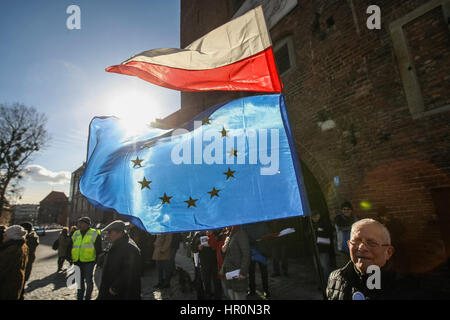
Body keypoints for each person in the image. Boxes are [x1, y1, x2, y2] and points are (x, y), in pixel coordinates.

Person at [327, 218, 417, 300]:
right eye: (356, 241)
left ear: (388, 252)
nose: (361, 247)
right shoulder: (336, 278)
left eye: (371, 243)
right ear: (349, 245)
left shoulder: (407, 286)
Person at [97, 220, 142, 300]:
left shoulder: (130, 248)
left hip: (122, 294)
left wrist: (115, 288)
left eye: (110, 232)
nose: (107, 236)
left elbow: (130, 272)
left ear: (120, 233)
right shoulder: (115, 245)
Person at [70, 217, 102, 300]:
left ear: (87, 224)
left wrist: (97, 261)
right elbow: (72, 246)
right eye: (79, 223)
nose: (79, 225)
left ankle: (87, 297)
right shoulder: (76, 233)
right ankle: (79, 297)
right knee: (79, 282)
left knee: (88, 281)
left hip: (89, 261)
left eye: (81, 223)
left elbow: (99, 248)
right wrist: (71, 257)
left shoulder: (94, 233)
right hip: (77, 261)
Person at [220, 225, 250, 300]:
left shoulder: (240, 233)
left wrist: (243, 272)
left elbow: (246, 253)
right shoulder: (230, 233)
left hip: (238, 273)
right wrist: (224, 249)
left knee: (239, 297)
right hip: (229, 273)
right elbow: (228, 254)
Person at [0, 225, 29, 300]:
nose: (3, 235)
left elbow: (2, 267)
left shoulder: (12, 250)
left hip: (7, 285)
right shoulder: (22, 245)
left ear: (12, 237)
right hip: (14, 282)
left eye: (6, 234)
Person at [243, 222, 270, 298]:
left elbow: (268, 235)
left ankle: (265, 290)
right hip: (252, 252)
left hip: (261, 251)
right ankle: (253, 290)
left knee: (263, 272)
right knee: (251, 272)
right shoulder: (246, 225)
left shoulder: (262, 224)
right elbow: (244, 238)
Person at [192, 230, 221, 299]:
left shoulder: (216, 232)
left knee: (217, 280)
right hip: (204, 261)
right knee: (206, 280)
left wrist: (213, 237)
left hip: (215, 260)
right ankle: (208, 295)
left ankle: (218, 295)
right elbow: (193, 248)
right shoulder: (199, 234)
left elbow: (220, 243)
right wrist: (198, 247)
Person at [311, 211, 335, 282]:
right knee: (317, 268)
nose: (314, 218)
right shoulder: (311, 224)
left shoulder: (325, 223)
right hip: (315, 249)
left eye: (316, 216)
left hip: (323, 248)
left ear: (319, 215)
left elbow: (329, 232)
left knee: (325, 267)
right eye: (313, 217)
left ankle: (328, 283)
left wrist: (318, 232)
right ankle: (321, 283)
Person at [19, 222, 39, 299]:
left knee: (20, 284)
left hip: (24, 265)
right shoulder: (32, 238)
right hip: (25, 265)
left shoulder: (29, 240)